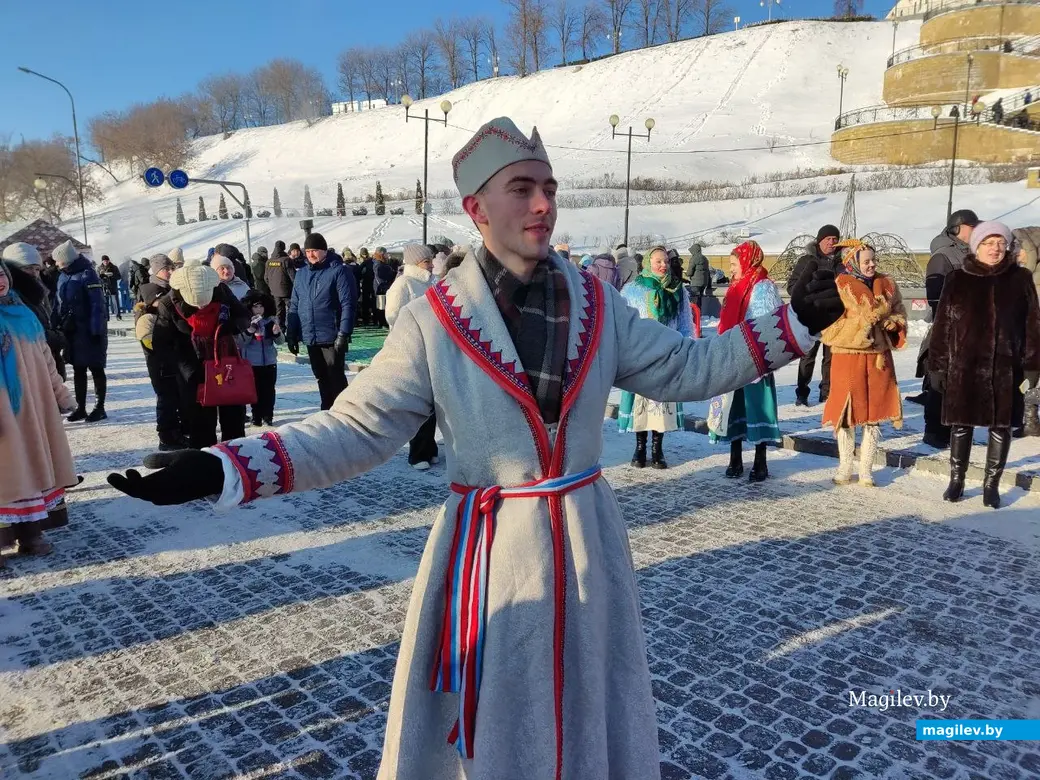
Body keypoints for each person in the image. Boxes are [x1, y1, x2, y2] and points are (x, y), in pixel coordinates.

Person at [107, 116, 842, 780]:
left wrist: (803, 321)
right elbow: (356, 428)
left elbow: (689, 368)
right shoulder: (434, 320)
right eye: (522, 189)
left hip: (589, 543)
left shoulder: (597, 302)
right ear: (476, 208)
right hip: (490, 556)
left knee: (589, 713)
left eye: (549, 188)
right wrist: (225, 465)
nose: (543, 205)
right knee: (496, 730)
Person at [929, 222, 1040, 509]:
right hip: (963, 365)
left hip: (1004, 368)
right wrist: (938, 366)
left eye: (1000, 243)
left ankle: (991, 485)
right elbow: (942, 326)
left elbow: (1032, 325)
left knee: (1000, 426)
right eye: (989, 243)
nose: (995, 248)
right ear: (976, 246)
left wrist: (1032, 363)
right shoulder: (958, 279)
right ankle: (957, 479)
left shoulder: (1021, 279)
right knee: (960, 425)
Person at [0, 259, 78, 568]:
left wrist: (62, 396)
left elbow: (48, 362)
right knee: (6, 474)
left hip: (34, 410)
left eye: (2, 275)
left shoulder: (26, 316)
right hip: (5, 412)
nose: (0, 282)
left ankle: (31, 535)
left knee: (31, 468)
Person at [821, 240, 907, 487]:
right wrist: (862, 326)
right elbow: (830, 326)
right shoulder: (840, 287)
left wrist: (894, 323)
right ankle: (845, 465)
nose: (872, 265)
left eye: (873, 260)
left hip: (878, 360)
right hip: (848, 359)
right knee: (846, 416)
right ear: (852, 263)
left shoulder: (887, 285)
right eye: (866, 261)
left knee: (874, 415)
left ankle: (867, 470)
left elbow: (900, 311)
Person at [151, 259, 251, 448]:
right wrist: (185, 368)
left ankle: (237, 462)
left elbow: (243, 317)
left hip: (226, 365)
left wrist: (229, 327)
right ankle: (205, 466)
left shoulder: (221, 291)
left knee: (234, 423)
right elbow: (162, 344)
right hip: (193, 371)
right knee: (201, 428)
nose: (202, 308)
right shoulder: (168, 304)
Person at [708, 241, 783, 482]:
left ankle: (760, 462)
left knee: (757, 407)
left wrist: (757, 355)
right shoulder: (735, 287)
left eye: (733, 264)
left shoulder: (762, 287)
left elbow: (766, 322)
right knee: (733, 408)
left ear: (746, 261)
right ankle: (735, 459)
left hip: (755, 359)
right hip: (733, 357)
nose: (730, 269)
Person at [618, 246, 694, 469]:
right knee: (640, 403)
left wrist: (686, 349)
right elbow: (624, 323)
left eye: (665, 262)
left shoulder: (678, 290)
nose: (663, 265)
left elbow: (685, 324)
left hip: (667, 354)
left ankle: (657, 450)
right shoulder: (633, 290)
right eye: (658, 261)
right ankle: (640, 448)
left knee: (661, 404)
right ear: (648, 263)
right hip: (639, 355)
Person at [918, 208, 980, 448]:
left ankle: (958, 430)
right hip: (947, 330)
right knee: (940, 383)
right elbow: (935, 298)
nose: (975, 231)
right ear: (958, 228)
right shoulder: (942, 257)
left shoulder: (975, 254)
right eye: (971, 226)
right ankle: (934, 431)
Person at [286, 232, 357, 411]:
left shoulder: (338, 271)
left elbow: (347, 303)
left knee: (335, 376)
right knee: (320, 376)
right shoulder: (301, 274)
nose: (310, 255)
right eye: (308, 251)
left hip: (331, 335)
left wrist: (344, 333)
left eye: (315, 250)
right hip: (310, 334)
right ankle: (326, 409)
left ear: (324, 250)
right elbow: (295, 305)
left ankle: (343, 412)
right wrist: (292, 333)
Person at [385, 243, 439, 470]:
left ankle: (430, 447)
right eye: (426, 261)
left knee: (436, 402)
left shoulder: (432, 282)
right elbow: (393, 316)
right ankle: (417, 453)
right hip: (414, 348)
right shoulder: (403, 284)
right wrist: (409, 338)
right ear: (416, 263)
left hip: (434, 347)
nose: (431, 264)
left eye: (430, 260)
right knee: (420, 402)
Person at [134, 253, 186, 451]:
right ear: (157, 272)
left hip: (172, 349)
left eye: (173, 268)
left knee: (177, 393)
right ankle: (166, 436)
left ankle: (176, 431)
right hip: (158, 352)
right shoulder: (151, 291)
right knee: (166, 395)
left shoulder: (167, 289)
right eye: (167, 269)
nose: (172, 271)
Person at [54, 240, 108, 422]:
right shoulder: (63, 276)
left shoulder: (88, 274)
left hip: (90, 331)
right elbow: (58, 303)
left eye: (58, 261)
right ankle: (81, 408)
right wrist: (54, 324)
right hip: (73, 332)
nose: (55, 264)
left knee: (96, 368)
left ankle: (99, 408)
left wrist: (96, 331)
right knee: (78, 369)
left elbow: (97, 305)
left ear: (66, 260)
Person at [788, 225, 840, 406]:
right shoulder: (807, 261)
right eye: (828, 239)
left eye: (835, 239)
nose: (831, 243)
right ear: (820, 240)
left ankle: (826, 393)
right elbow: (793, 286)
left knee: (831, 358)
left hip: (834, 318)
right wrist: (808, 297)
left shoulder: (842, 262)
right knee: (808, 356)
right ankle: (802, 393)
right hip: (811, 316)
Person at [2, 242, 66, 381]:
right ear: (12, 270)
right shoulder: (14, 298)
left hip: (47, 364)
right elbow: (29, 335)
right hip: (32, 371)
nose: (34, 273)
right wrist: (60, 337)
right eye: (28, 268)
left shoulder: (36, 292)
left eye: (37, 269)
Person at [240, 290, 283, 427]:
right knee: (255, 390)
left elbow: (281, 341)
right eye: (255, 307)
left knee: (269, 390)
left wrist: (277, 333)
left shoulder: (271, 321)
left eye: (261, 306)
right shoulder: (246, 322)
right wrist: (249, 331)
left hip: (270, 361)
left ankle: (268, 415)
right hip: (252, 363)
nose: (259, 310)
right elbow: (240, 343)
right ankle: (256, 415)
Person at [265, 240, 294, 330]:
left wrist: (272, 286)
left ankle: (280, 329)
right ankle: (292, 329)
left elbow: (265, 277)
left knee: (279, 311)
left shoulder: (269, 262)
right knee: (292, 309)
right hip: (287, 290)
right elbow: (293, 276)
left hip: (275, 291)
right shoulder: (286, 260)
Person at [373, 248, 397, 328]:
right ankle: (382, 322)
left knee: (383, 305)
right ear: (382, 254)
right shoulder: (378, 264)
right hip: (381, 289)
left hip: (383, 287)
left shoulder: (383, 263)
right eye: (386, 253)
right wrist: (386, 286)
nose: (387, 255)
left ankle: (382, 322)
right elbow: (379, 277)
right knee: (381, 306)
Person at [685, 241, 711, 311]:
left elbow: (690, 271)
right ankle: (699, 312)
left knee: (693, 298)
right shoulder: (705, 258)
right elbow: (707, 271)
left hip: (695, 283)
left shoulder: (694, 258)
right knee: (699, 298)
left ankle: (694, 313)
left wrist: (687, 274)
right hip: (704, 282)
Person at [98, 255, 123, 320]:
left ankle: (118, 316)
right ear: (102, 261)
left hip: (113, 287)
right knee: (105, 302)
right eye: (104, 261)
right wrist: (101, 276)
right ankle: (106, 317)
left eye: (106, 261)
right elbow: (97, 278)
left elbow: (119, 276)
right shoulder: (99, 268)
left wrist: (112, 275)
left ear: (109, 260)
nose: (105, 262)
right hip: (104, 287)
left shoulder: (114, 267)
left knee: (115, 302)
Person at [358, 247, 376, 325]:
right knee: (370, 301)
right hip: (370, 283)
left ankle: (367, 318)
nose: (364, 256)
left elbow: (359, 273)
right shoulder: (371, 261)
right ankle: (370, 318)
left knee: (367, 301)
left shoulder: (365, 262)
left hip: (366, 283)